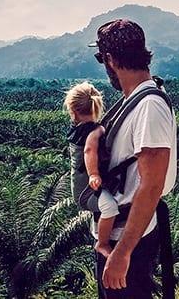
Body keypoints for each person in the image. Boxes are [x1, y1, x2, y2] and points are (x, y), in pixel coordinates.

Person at [88, 19, 177, 298]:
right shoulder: (136, 99)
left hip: (129, 242)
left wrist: (122, 253)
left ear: (111, 60)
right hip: (120, 237)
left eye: (102, 58)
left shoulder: (148, 106)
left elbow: (151, 185)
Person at [64, 81, 119, 258]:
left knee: (102, 207)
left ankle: (98, 230)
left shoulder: (75, 129)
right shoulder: (93, 131)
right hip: (86, 191)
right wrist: (94, 173)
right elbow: (89, 150)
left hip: (78, 186)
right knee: (110, 208)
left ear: (72, 110)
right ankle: (102, 243)